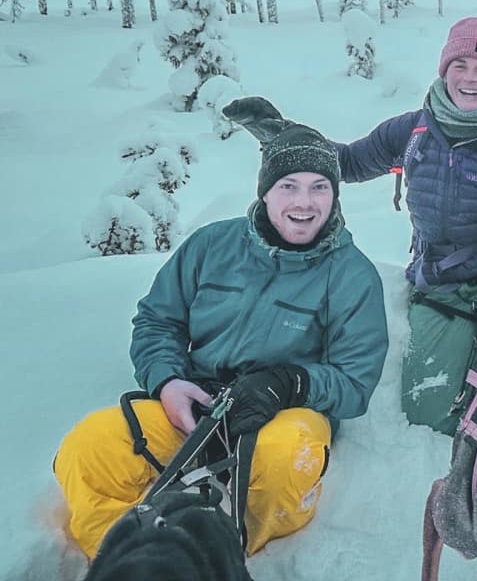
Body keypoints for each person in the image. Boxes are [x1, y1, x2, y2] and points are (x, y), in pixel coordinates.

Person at [230, 18, 477, 434]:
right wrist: (286, 138)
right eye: (461, 65)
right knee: (427, 412)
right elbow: (346, 162)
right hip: (442, 280)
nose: (470, 78)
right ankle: (473, 362)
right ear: (444, 69)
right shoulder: (412, 130)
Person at [54, 124, 390, 559]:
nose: (304, 202)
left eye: (319, 187)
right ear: (265, 191)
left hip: (283, 415)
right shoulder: (212, 244)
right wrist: (168, 382)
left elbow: (354, 384)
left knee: (285, 461)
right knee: (89, 449)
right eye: (288, 186)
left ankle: (232, 554)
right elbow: (159, 320)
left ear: (334, 195)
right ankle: (129, 560)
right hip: (196, 405)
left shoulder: (352, 275)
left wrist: (290, 383)